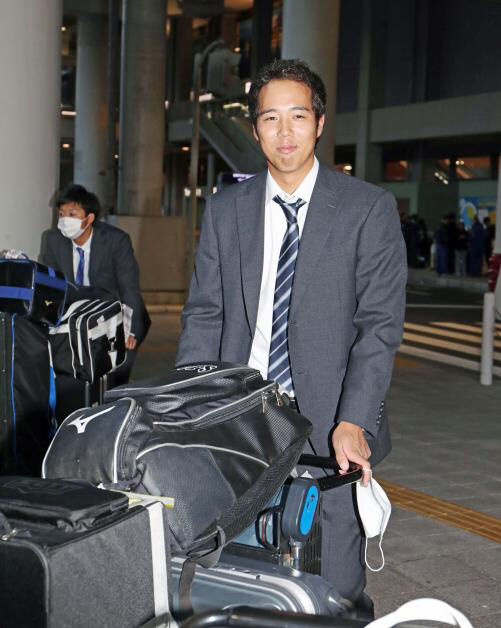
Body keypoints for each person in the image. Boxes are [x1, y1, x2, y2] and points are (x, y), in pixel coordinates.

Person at [176, 59, 407, 617]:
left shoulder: (367, 208)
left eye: (298, 116)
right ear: (255, 128)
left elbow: (378, 326)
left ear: (319, 123)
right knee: (241, 573)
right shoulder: (227, 210)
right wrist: (190, 409)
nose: (285, 132)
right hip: (242, 421)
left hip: (331, 430)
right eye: (270, 118)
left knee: (336, 587)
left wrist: (354, 419)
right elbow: (205, 314)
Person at [39, 184, 150, 385]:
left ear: (89, 218)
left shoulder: (116, 240)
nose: (64, 220)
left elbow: (129, 288)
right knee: (74, 372)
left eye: (72, 214)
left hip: (117, 312)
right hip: (79, 315)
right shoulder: (53, 240)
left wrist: (129, 329)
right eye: (61, 214)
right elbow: (50, 285)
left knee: (116, 371)